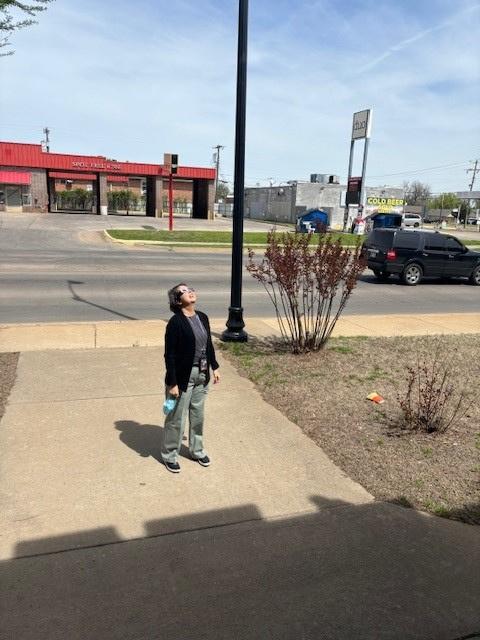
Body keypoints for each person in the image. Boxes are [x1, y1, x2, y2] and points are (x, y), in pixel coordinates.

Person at [161, 283, 220, 473]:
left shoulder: (202, 317)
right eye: (184, 291)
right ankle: (170, 455)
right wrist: (173, 383)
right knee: (176, 418)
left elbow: (208, 345)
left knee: (197, 415)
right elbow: (169, 355)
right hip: (182, 378)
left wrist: (214, 367)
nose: (190, 292)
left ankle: (197, 450)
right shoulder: (175, 322)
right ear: (177, 300)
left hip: (202, 374)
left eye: (190, 289)